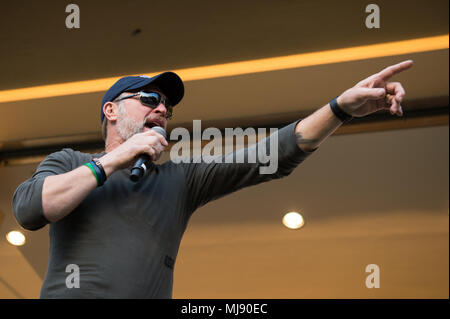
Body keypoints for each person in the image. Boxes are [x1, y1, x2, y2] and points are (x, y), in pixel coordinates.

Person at [12, 60, 413, 298]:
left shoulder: (179, 181)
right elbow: (31, 209)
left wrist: (339, 108)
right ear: (111, 111)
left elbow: (272, 156)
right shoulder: (69, 161)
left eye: (167, 107)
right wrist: (114, 160)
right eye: (149, 99)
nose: (162, 110)